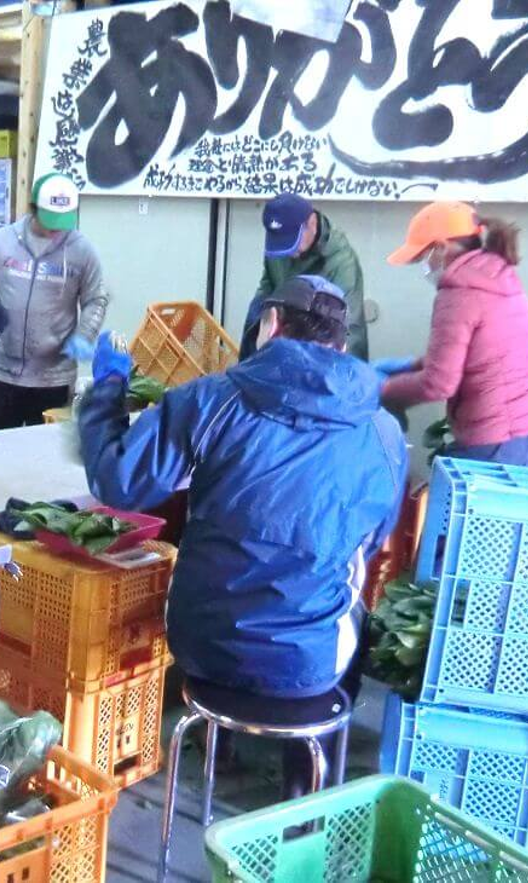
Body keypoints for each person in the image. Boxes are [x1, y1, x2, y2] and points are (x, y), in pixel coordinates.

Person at [78, 274, 406, 796]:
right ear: (342, 346)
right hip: (310, 660)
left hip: (203, 645)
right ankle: (305, 783)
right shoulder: (384, 431)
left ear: (270, 324)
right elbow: (373, 536)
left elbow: (118, 483)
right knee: (346, 603)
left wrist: (107, 393)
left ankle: (219, 743)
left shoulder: (210, 399)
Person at [377, 202, 528, 468]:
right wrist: (414, 366)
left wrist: (381, 389)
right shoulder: (496, 275)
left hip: (496, 442)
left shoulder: (459, 291)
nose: (424, 267)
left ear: (441, 247)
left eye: (422, 257)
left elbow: (438, 384)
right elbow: (481, 354)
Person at [0, 172, 110, 431]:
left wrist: (84, 334)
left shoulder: (82, 251)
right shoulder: (2, 241)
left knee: (48, 452)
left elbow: (96, 299)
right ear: (33, 209)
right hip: (4, 373)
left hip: (54, 378)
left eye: (63, 220)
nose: (57, 229)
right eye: (50, 219)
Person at [241, 193, 368, 361]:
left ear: (312, 223)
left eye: (292, 240)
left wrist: (343, 373)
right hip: (285, 323)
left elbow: (351, 328)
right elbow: (267, 285)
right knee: (257, 311)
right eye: (280, 242)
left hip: (318, 342)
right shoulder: (279, 246)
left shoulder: (341, 261)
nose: (289, 252)